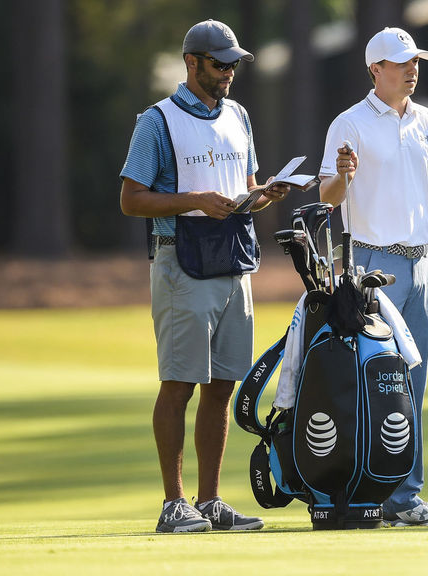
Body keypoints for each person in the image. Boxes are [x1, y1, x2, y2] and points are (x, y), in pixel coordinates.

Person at [120, 19, 290, 533]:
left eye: (234, 64)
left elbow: (245, 186)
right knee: (179, 384)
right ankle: (174, 505)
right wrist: (194, 200)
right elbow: (131, 199)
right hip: (181, 261)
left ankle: (210, 501)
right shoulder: (158, 120)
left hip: (232, 262)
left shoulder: (238, 114)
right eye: (220, 64)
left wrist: (266, 194)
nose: (229, 73)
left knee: (221, 386)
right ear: (191, 63)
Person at [318, 27, 428, 527]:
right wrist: (344, 175)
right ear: (375, 69)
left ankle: (404, 498)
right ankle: (357, 489)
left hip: (421, 264)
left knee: (412, 383)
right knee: (370, 381)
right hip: (371, 265)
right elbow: (329, 196)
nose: (411, 69)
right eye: (400, 62)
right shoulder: (348, 124)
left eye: (415, 61)